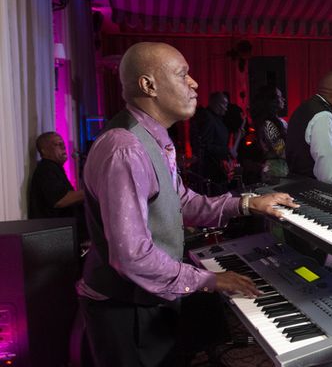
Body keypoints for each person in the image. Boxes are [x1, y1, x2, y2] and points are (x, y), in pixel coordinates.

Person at [77, 42, 297, 367]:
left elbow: (181, 202)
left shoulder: (153, 137)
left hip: (143, 299)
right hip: (124, 308)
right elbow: (131, 255)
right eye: (183, 75)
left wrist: (248, 204)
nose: (194, 83)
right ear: (149, 85)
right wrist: (208, 280)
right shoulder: (126, 149)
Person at [286, 70, 332, 190]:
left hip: (298, 188)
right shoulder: (325, 117)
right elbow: (331, 178)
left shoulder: (305, 108)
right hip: (314, 193)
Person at [29, 132, 84, 219]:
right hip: (54, 226)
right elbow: (60, 199)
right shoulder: (46, 169)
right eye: (57, 144)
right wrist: (90, 193)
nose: (63, 147)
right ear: (44, 151)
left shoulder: (54, 167)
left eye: (63, 144)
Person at [189, 91, 231, 194]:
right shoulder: (207, 118)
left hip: (216, 169)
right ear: (217, 104)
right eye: (225, 105)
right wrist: (226, 150)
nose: (226, 108)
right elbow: (204, 146)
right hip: (210, 171)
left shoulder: (215, 118)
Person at [250, 85, 289, 183]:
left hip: (278, 170)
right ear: (271, 101)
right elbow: (281, 150)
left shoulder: (275, 122)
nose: (283, 99)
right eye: (279, 97)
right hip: (276, 172)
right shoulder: (269, 125)